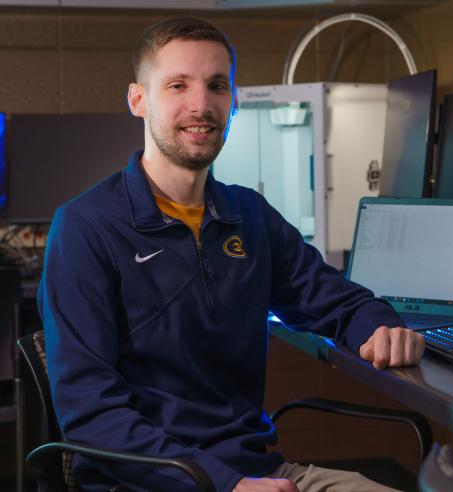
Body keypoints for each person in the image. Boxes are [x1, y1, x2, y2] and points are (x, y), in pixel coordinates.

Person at [38, 17, 424, 492]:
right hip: (152, 483)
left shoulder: (248, 216)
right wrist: (222, 484)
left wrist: (380, 327)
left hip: (261, 475)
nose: (200, 105)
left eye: (216, 86)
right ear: (139, 100)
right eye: (178, 85)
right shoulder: (85, 228)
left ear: (233, 101)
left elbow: (338, 301)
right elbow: (90, 413)